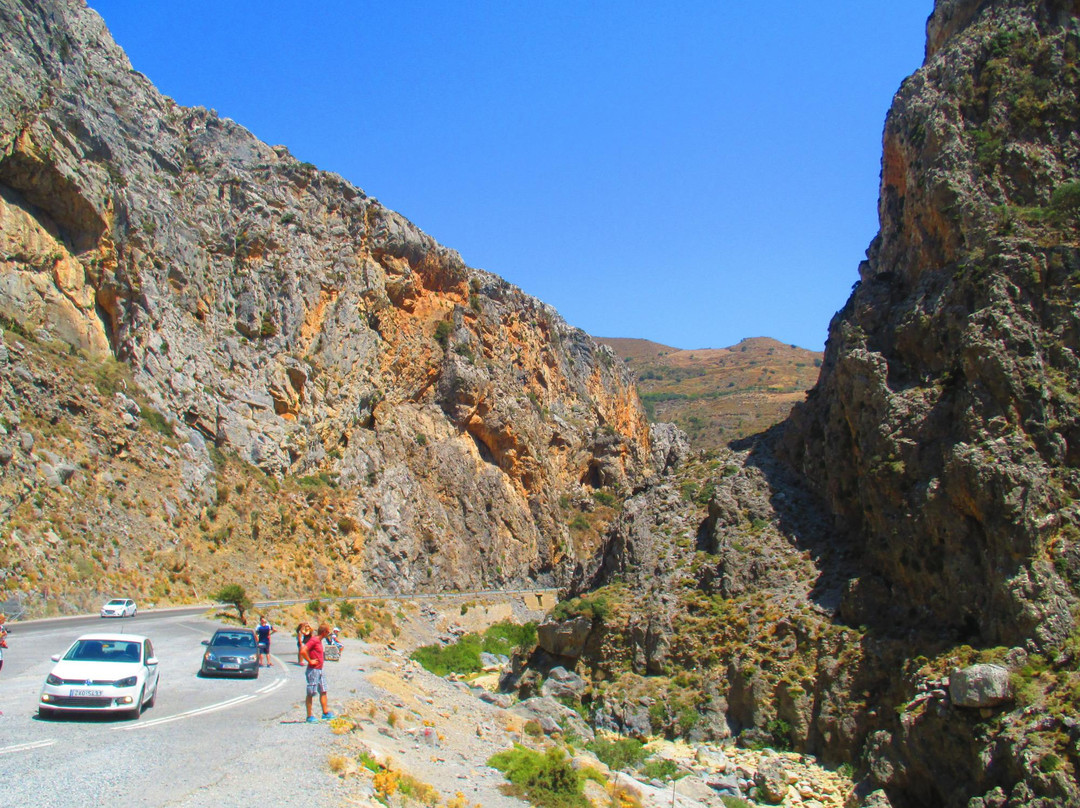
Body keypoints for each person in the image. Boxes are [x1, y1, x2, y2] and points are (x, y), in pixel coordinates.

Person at [300, 624, 334, 723]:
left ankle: (325, 713)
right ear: (324, 632)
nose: (328, 634)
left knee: (323, 690)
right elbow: (303, 650)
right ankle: (309, 716)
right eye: (327, 632)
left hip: (320, 670)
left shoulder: (319, 641)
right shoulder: (314, 640)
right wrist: (310, 661)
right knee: (311, 692)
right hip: (313, 670)